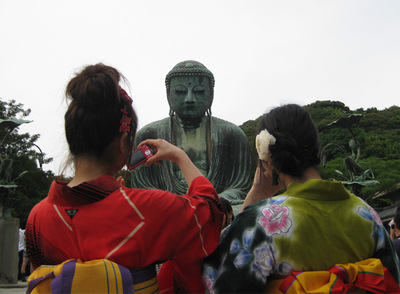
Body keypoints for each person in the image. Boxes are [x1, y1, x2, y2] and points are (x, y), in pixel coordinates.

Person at [25, 63, 223, 293]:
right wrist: (181, 157)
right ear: (122, 144)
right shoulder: (147, 208)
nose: (189, 99)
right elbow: (210, 213)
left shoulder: (37, 218)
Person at [203, 104, 400, 293]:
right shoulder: (366, 215)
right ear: (317, 148)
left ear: (266, 157)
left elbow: (217, 282)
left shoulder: (261, 221)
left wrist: (257, 194)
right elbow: (393, 280)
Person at [131, 60, 252, 204]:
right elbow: (143, 188)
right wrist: (179, 203)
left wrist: (209, 202)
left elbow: (239, 188)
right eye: (180, 92)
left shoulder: (232, 135)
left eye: (199, 91)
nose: (189, 99)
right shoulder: (149, 135)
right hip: (168, 208)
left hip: (218, 206)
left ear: (211, 94)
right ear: (168, 95)